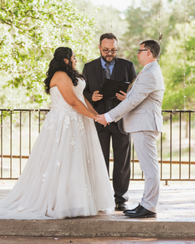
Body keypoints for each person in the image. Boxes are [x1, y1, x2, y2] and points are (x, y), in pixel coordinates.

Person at [0, 47, 114, 219]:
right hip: (64, 123)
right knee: (61, 160)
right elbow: (72, 101)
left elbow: (82, 98)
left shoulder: (72, 76)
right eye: (73, 57)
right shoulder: (60, 75)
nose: (76, 60)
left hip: (78, 122)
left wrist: (96, 116)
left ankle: (76, 200)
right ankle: (56, 201)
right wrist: (93, 117)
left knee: (77, 161)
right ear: (65, 59)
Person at [96, 39, 165, 218]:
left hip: (145, 125)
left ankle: (149, 206)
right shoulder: (148, 71)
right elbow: (133, 98)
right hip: (142, 125)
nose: (137, 54)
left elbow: (133, 102)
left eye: (140, 50)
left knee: (150, 168)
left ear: (149, 52)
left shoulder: (150, 72)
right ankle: (146, 203)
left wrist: (108, 117)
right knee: (148, 167)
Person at [83, 33, 137, 211]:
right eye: (106, 50)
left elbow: (135, 92)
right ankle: (101, 197)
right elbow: (82, 93)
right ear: (99, 47)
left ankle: (120, 198)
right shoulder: (89, 67)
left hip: (121, 121)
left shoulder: (128, 66)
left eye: (113, 50)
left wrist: (126, 97)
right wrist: (92, 96)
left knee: (122, 162)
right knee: (100, 160)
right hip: (99, 120)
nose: (109, 53)